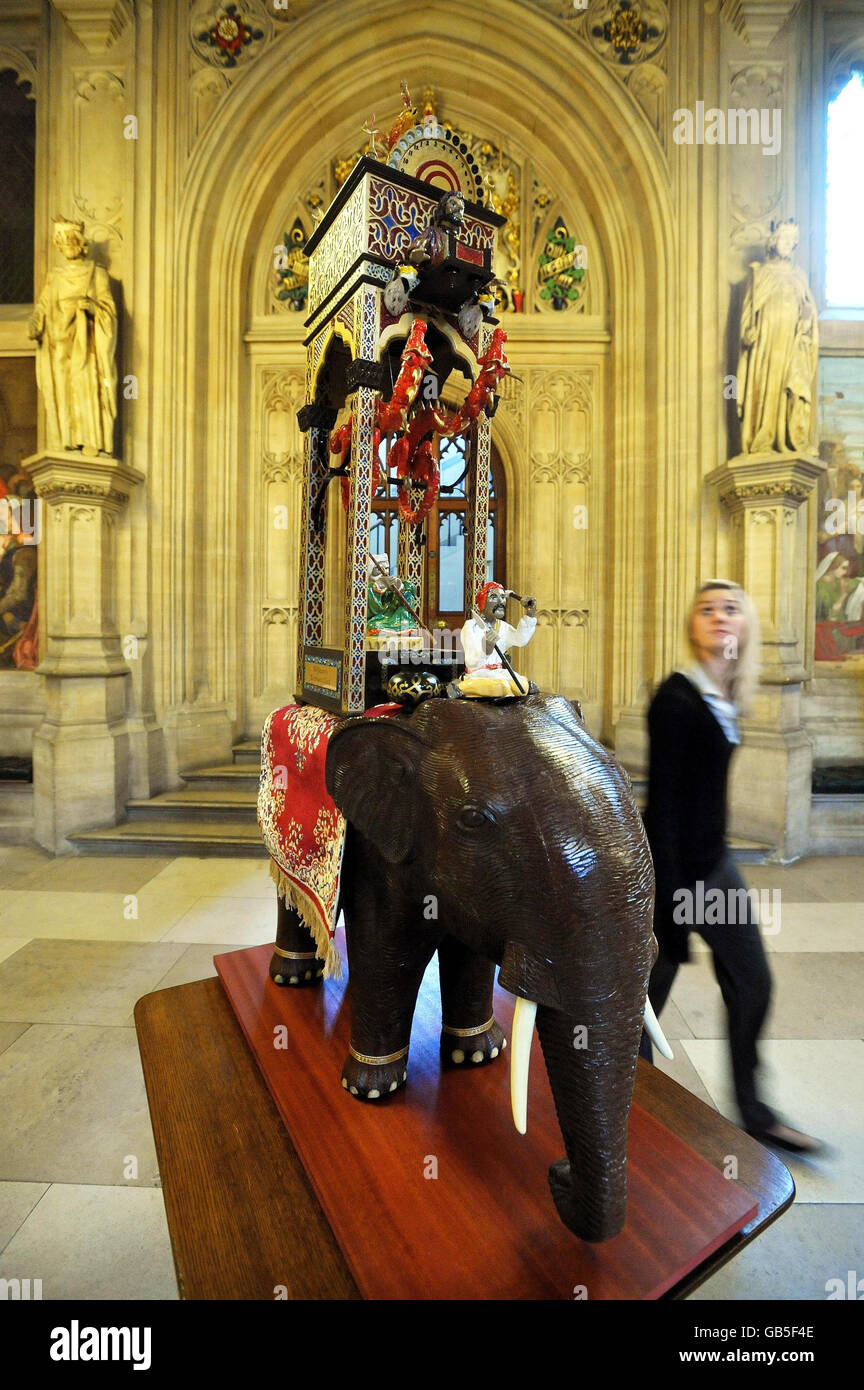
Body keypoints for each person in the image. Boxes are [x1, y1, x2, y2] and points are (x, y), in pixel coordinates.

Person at [639, 579, 822, 1155]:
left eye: (731, 609)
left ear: (746, 626)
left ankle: (754, 1111)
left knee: (752, 984)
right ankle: (626, 1111)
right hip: (673, 875)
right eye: (707, 609)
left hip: (715, 870)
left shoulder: (726, 694)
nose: (720, 617)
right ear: (692, 627)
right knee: (641, 1011)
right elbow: (663, 809)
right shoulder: (675, 699)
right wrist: (669, 911)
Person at [457, 581, 536, 698]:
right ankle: (461, 687)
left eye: (503, 597)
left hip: (500, 673)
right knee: (501, 687)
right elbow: (472, 662)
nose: (500, 601)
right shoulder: (471, 626)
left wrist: (530, 615)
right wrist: (486, 649)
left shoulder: (502, 626)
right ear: (483, 602)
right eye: (494, 597)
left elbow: (520, 639)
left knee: (522, 687)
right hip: (480, 674)